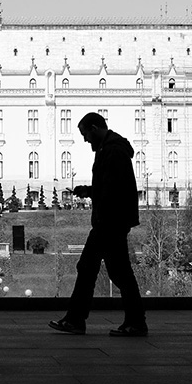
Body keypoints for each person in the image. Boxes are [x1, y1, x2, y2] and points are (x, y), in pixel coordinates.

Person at [50, 112, 147, 337]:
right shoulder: (111, 149)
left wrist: (96, 196)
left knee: (95, 269)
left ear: (95, 128)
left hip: (109, 222)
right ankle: (133, 321)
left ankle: (78, 320)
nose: (85, 140)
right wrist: (89, 191)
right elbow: (111, 186)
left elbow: (113, 189)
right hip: (112, 221)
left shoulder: (112, 151)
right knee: (110, 271)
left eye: (85, 134)